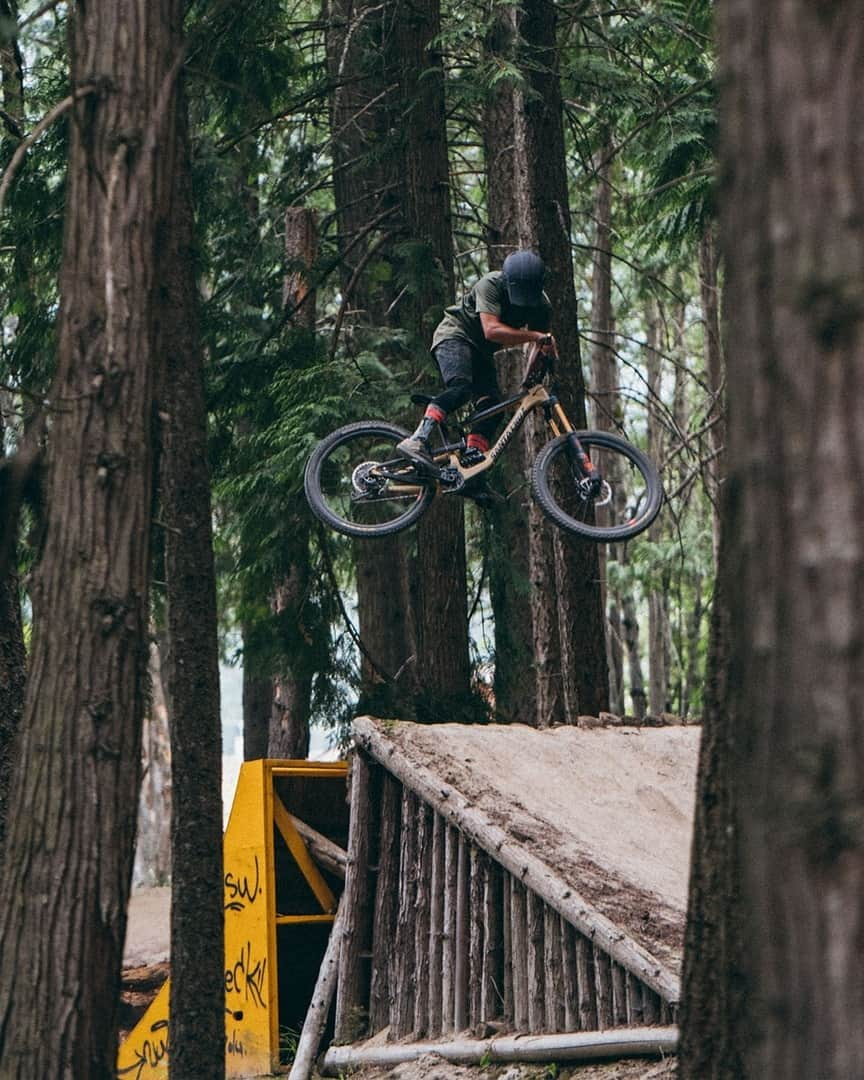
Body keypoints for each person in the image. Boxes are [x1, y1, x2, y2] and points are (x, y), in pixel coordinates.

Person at [396, 249, 557, 467]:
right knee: (461, 389)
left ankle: (471, 464)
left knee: (493, 408)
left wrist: (530, 380)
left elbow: (540, 344)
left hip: (481, 351)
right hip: (455, 335)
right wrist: (536, 336)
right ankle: (417, 439)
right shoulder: (490, 284)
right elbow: (491, 330)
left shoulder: (542, 305)